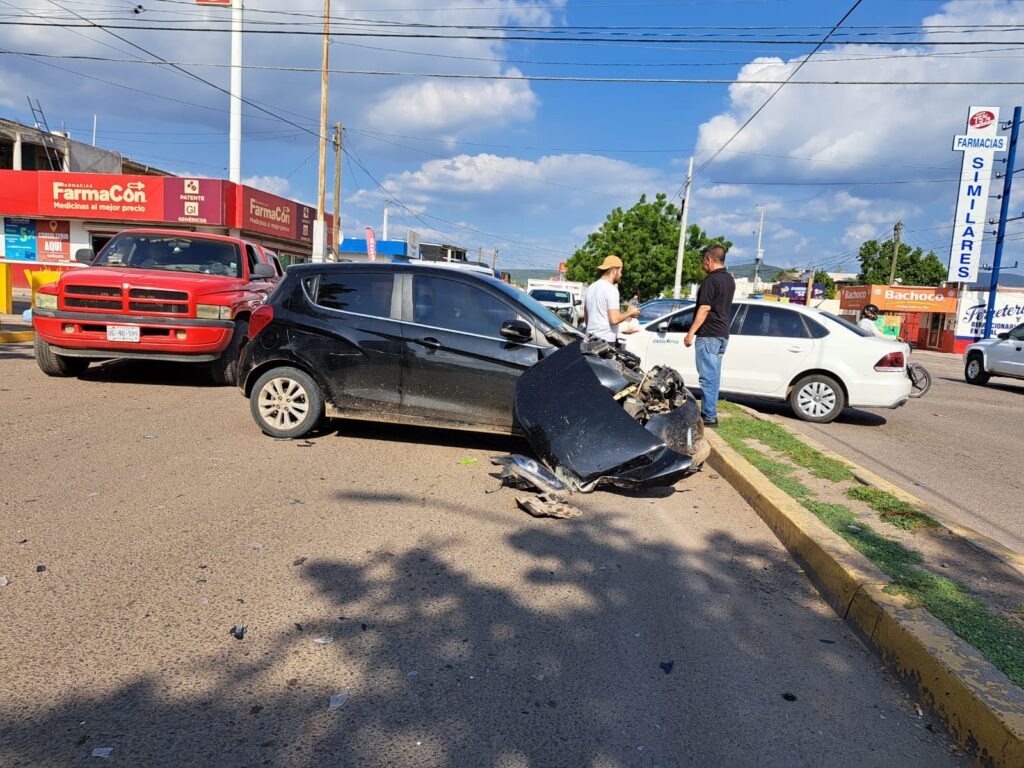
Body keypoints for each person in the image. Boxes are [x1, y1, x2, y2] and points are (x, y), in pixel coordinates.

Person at [684, 244, 735, 427]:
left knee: (707, 377)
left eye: (704, 261)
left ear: (709, 259)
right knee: (714, 376)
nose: (703, 265)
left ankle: (709, 416)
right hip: (722, 334)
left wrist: (690, 333)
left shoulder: (710, 281)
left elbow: (705, 308)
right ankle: (710, 412)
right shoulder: (730, 280)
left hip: (709, 334)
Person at [583, 254, 639, 342]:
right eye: (620, 271)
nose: (621, 275)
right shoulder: (611, 289)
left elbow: (587, 319)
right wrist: (630, 312)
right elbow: (614, 319)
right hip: (604, 342)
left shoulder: (590, 288)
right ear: (614, 271)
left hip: (589, 339)